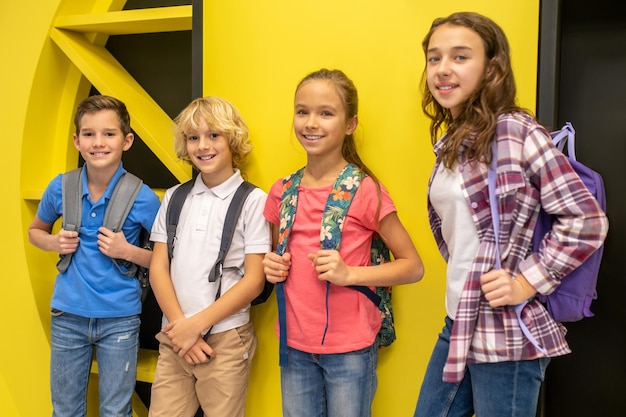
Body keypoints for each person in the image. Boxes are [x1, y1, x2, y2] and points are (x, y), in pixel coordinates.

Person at [413, 12, 609, 417]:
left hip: (507, 332)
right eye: (434, 58)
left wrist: (525, 282)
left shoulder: (515, 132)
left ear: (491, 68)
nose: (443, 69)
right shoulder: (453, 139)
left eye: (460, 57)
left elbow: (587, 221)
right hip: (459, 318)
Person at [262, 68, 425, 417]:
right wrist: (271, 266)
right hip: (293, 345)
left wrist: (349, 273)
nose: (311, 123)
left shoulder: (365, 190)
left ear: (350, 124)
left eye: (326, 113)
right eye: (302, 111)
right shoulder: (282, 190)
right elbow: (275, 256)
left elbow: (413, 266)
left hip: (350, 348)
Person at [28, 95, 161, 417]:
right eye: (88, 134)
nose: (98, 142)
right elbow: (36, 231)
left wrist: (127, 251)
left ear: (127, 141)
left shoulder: (143, 197)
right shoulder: (60, 187)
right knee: (65, 410)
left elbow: (165, 259)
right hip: (67, 315)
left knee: (116, 411)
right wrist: (53, 242)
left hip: (120, 319)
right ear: (76, 140)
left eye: (109, 134)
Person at [147, 96, 271, 417]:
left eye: (213, 135)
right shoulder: (175, 197)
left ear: (232, 139)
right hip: (174, 335)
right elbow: (159, 268)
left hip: (226, 338)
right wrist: (181, 329)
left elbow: (255, 280)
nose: (203, 145)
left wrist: (197, 326)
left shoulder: (254, 201)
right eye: (193, 137)